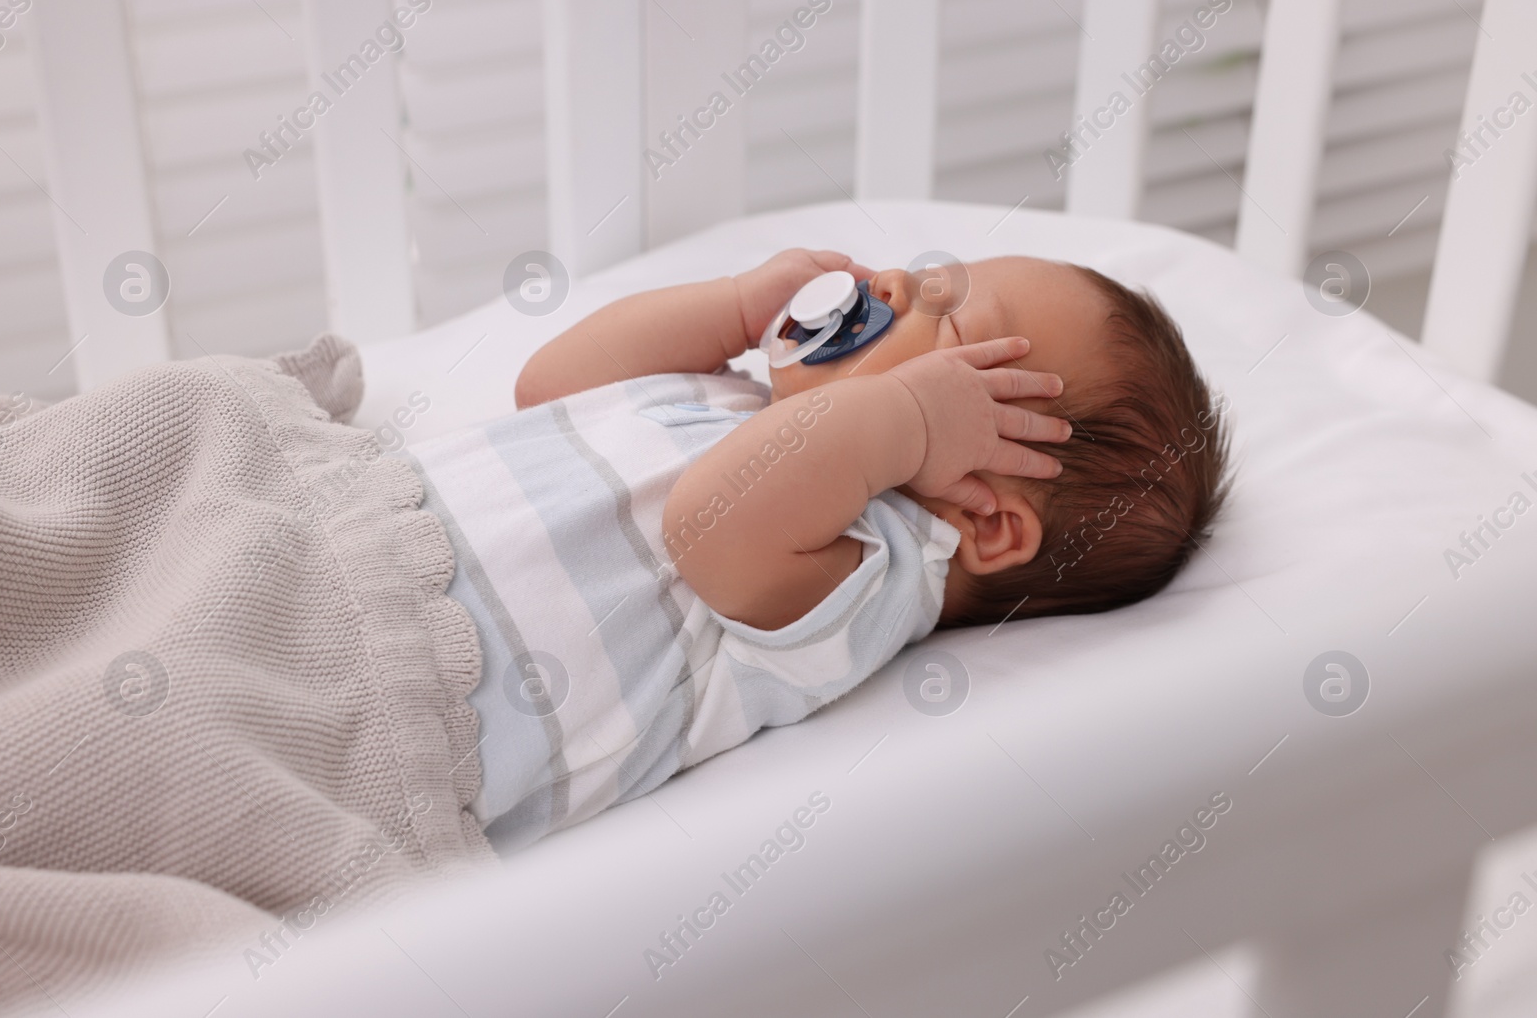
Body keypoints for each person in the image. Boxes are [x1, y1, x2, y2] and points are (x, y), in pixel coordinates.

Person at [407, 249, 1231, 852]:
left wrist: (904, 416)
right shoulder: (745, 399)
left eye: (953, 316)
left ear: (991, 524)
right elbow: (548, 388)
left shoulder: (877, 566)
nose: (902, 283)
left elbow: (709, 528)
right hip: (368, 527)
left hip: (406, 689)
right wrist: (733, 308)